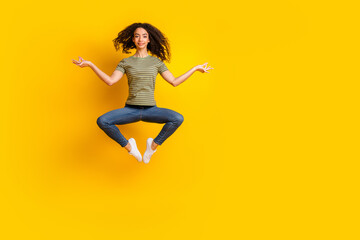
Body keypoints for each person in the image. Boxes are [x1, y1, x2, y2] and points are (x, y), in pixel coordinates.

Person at [72, 22, 213, 164]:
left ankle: (152, 146)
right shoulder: (126, 62)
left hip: (151, 110)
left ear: (149, 39)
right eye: (137, 36)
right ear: (133, 39)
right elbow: (110, 81)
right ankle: (130, 148)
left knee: (177, 118)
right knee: (102, 121)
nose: (140, 39)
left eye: (144, 36)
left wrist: (194, 69)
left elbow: (174, 82)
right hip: (130, 110)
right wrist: (91, 65)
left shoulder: (156, 62)